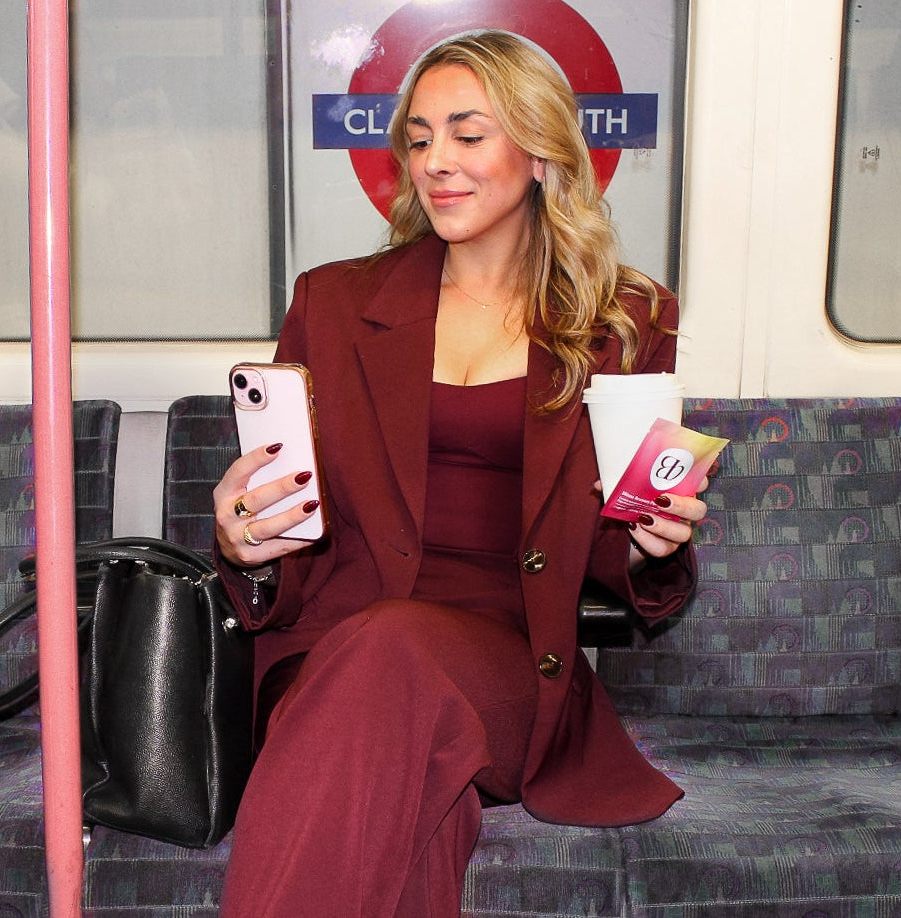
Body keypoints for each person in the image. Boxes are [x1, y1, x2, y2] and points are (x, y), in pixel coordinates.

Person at [210, 30, 702, 918]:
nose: (437, 161)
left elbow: (621, 545)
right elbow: (287, 533)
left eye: (468, 135)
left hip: (510, 670)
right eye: (420, 137)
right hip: (330, 657)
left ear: (542, 151)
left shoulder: (621, 319)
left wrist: (647, 549)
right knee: (413, 812)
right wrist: (242, 540)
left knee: (396, 651)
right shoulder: (333, 303)